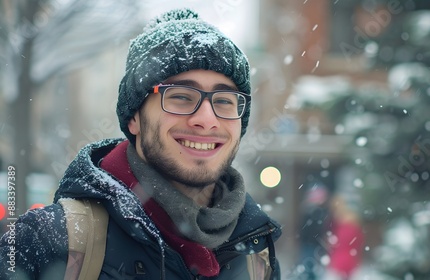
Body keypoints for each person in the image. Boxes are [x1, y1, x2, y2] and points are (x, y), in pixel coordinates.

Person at [0, 8, 281, 280]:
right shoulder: (47, 241)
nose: (207, 120)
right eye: (181, 96)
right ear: (134, 117)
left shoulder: (256, 253)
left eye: (223, 101)